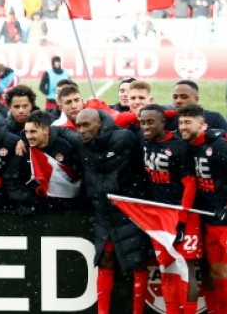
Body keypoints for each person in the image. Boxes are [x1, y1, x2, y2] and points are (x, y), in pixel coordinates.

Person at [74, 108, 153, 314]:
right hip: (104, 213)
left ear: (99, 123)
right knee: (105, 260)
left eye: (86, 125)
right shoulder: (82, 144)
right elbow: (58, 132)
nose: (81, 130)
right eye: (78, 126)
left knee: (138, 262)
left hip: (129, 211)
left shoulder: (124, 138)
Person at [179, 104, 227, 314]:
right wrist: (182, 220)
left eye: (187, 122)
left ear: (202, 123)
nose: (182, 127)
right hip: (211, 220)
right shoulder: (189, 147)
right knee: (216, 272)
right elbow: (191, 185)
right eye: (181, 122)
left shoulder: (219, 145)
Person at [138, 105, 198, 314]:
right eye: (142, 122)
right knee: (166, 268)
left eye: (150, 122)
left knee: (186, 268)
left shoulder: (180, 146)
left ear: (163, 122)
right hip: (159, 218)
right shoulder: (143, 140)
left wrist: (182, 219)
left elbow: (190, 185)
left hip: (183, 216)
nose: (145, 126)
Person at [10, 110, 85, 214]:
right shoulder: (23, 148)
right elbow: (10, 179)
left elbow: (81, 174)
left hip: (67, 208)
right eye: (26, 132)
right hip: (37, 210)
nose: (28, 136)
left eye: (33, 131)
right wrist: (26, 200)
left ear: (46, 130)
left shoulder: (65, 146)